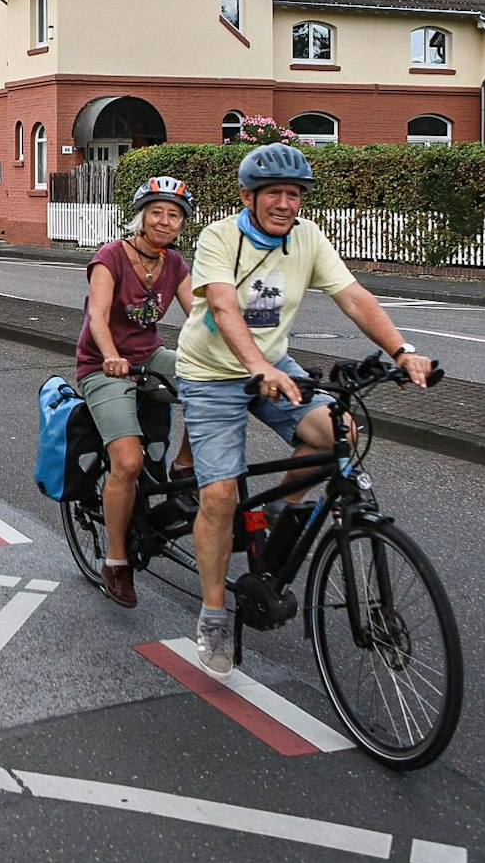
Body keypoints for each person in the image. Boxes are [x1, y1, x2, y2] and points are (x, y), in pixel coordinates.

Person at [177, 143, 434, 674]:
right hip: (212, 374)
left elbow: (354, 297)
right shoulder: (219, 238)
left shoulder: (308, 238)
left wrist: (402, 351)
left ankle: (280, 509)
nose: (285, 203)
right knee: (220, 495)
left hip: (273, 364)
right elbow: (222, 304)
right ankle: (214, 615)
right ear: (248, 197)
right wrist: (257, 367)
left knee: (340, 430)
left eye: (294, 194)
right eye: (274, 193)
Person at [75, 177, 196, 607]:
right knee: (128, 461)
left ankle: (184, 465)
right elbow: (97, 316)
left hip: (150, 355)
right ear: (142, 216)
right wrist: (110, 356)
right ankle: (116, 560)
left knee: (211, 383)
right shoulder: (110, 257)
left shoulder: (175, 263)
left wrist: (231, 347)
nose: (165, 221)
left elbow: (200, 317)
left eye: (174, 215)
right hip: (102, 364)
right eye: (157, 212)